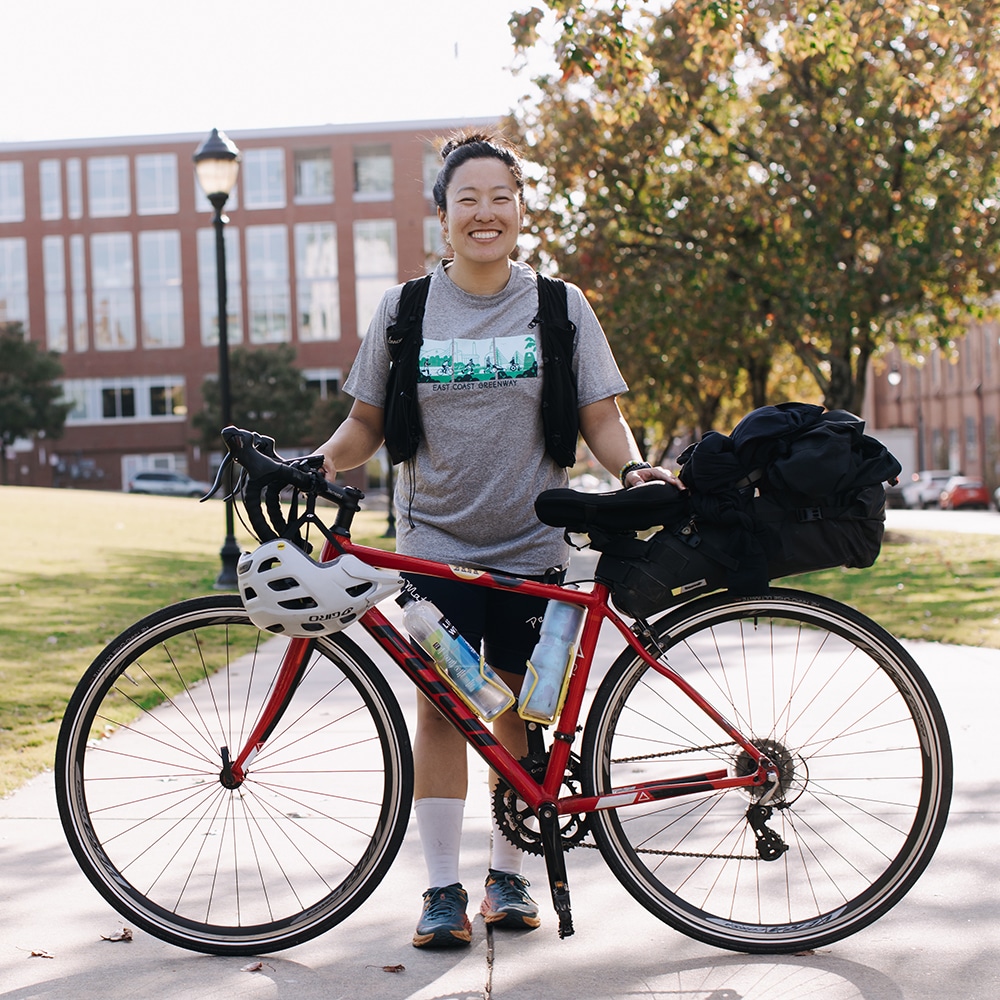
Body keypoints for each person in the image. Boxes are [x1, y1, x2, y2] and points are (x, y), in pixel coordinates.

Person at [314, 130, 676, 948]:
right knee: (445, 710)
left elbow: (600, 417)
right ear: (442, 218)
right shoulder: (405, 310)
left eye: (499, 199)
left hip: (532, 546)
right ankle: (442, 891)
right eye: (466, 200)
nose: (485, 214)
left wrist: (632, 472)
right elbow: (366, 423)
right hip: (432, 548)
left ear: (520, 209)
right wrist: (318, 462)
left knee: (514, 707)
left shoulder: (559, 306)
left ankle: (508, 878)